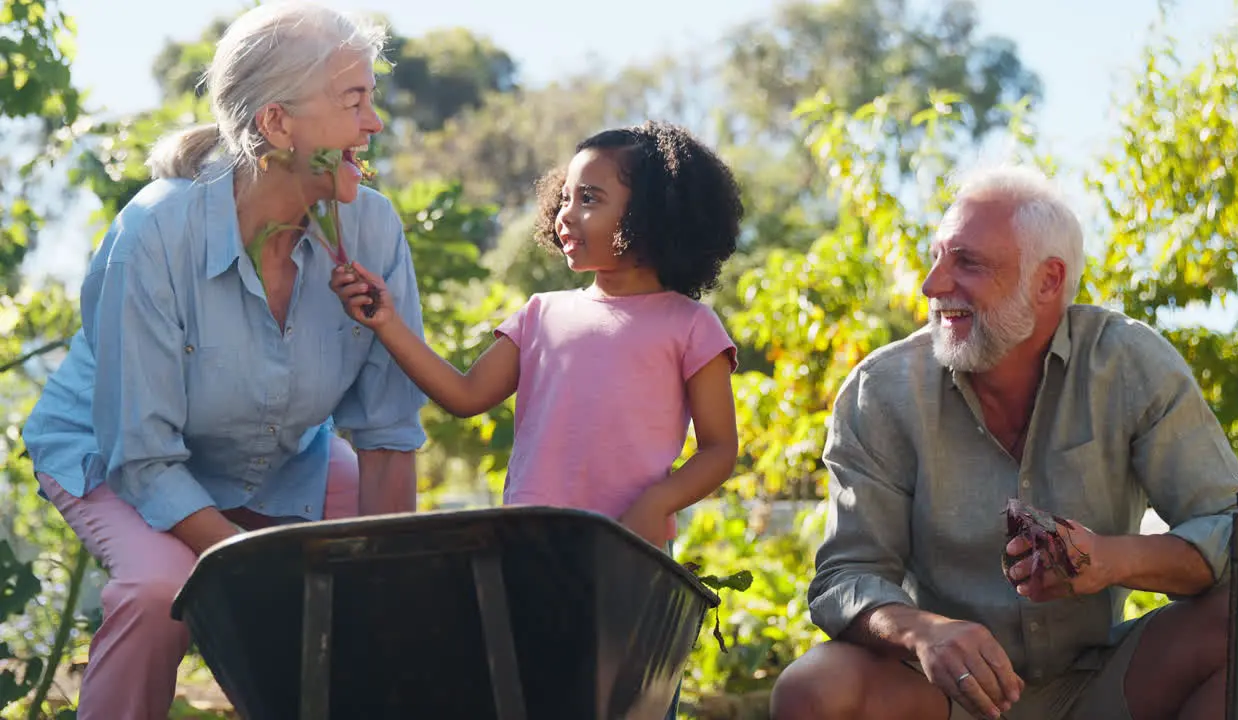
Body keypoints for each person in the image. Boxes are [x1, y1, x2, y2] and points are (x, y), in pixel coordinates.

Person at [20, 4, 427, 718]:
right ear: (277, 124)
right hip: (115, 451)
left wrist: (386, 589)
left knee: (372, 579)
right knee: (160, 591)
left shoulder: (372, 227)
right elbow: (142, 454)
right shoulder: (155, 232)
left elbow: (388, 436)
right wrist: (260, 564)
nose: (375, 123)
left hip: (274, 454)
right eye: (355, 100)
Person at [769, 165, 1238, 720]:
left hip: (1109, 683)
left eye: (966, 261)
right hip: (948, 696)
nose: (932, 284)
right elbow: (844, 576)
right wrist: (924, 632)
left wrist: (1110, 560)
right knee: (812, 689)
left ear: (1048, 280)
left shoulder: (1129, 363)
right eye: (936, 256)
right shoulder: (881, 391)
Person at [332, 120, 742, 718]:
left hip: (630, 564)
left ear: (656, 215)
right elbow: (465, 394)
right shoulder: (541, 314)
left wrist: (656, 504)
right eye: (567, 196)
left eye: (592, 199)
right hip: (524, 556)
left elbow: (718, 450)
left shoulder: (691, 326)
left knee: (626, 705)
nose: (566, 214)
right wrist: (388, 322)